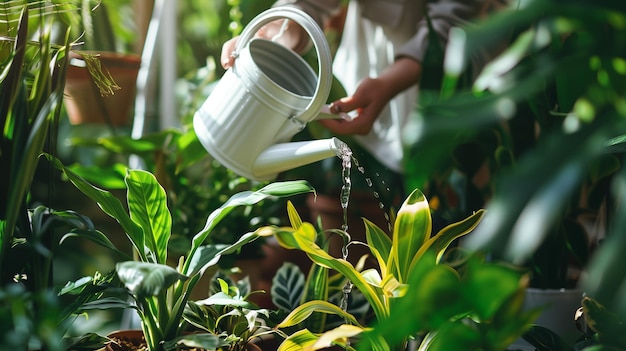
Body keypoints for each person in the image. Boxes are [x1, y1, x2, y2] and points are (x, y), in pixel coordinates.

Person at [220, 0, 490, 264]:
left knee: (443, 254)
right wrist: (272, 35)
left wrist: (389, 83)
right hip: (357, 87)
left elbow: (454, 22)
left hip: (445, 111)